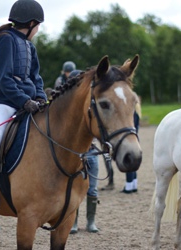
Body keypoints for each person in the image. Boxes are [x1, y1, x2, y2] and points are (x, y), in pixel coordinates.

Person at [0, 0, 47, 207]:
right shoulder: (6, 40)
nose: (38, 30)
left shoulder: (29, 46)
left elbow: (36, 77)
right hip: (5, 102)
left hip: (28, 102)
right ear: (32, 23)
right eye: (38, 26)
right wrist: (24, 101)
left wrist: (41, 97)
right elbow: (4, 79)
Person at [66, 70, 99, 234]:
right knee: (74, 189)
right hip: (76, 154)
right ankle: (74, 222)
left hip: (92, 152)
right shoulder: (69, 112)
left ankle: (91, 222)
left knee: (92, 189)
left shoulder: (90, 105)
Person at [121, 96, 141, 193]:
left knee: (128, 163)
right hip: (136, 138)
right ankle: (134, 184)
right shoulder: (137, 113)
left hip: (129, 139)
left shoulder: (131, 114)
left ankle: (128, 186)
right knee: (133, 164)